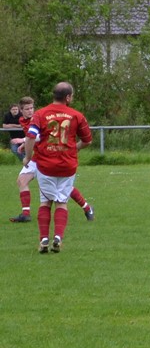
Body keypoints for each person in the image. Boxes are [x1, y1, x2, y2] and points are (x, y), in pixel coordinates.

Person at [24, 82, 92, 253]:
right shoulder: (77, 115)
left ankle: (43, 240)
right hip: (68, 166)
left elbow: (31, 136)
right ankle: (58, 238)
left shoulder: (40, 114)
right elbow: (87, 140)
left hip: (46, 166)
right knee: (61, 202)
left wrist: (28, 157)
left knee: (45, 201)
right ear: (68, 97)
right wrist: (74, 148)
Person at [9, 97, 94, 223]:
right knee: (22, 181)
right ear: (21, 110)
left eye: (31, 108)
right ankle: (26, 214)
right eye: (27, 109)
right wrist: (25, 144)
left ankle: (87, 208)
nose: (30, 111)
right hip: (36, 157)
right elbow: (32, 138)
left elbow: (42, 135)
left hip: (46, 157)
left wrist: (22, 140)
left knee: (64, 187)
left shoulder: (38, 117)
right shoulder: (23, 120)